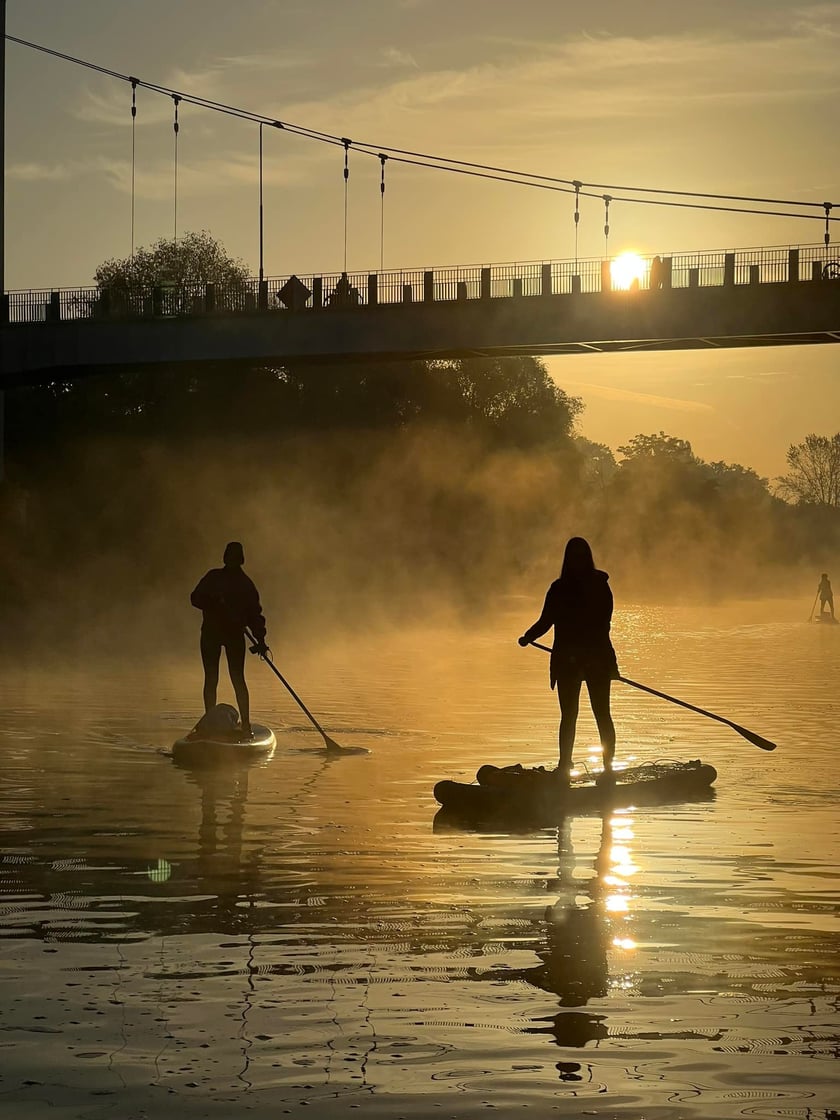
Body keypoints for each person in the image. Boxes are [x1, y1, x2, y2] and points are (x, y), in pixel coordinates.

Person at [518, 537, 619, 781]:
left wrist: (605, 661)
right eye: (574, 557)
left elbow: (604, 625)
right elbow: (546, 620)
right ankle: (564, 767)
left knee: (601, 713)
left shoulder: (599, 586)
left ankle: (608, 769)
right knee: (569, 715)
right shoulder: (559, 588)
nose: (577, 562)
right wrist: (528, 636)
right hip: (568, 661)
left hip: (594, 659)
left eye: (581, 557)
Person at [190, 542, 268, 738]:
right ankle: (210, 723)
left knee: (237, 678)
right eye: (229, 556)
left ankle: (246, 725)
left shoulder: (245, 584)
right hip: (211, 634)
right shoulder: (213, 578)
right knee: (211, 678)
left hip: (233, 635)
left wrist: (260, 639)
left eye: (234, 557)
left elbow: (255, 614)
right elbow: (195, 598)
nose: (231, 560)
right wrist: (213, 600)